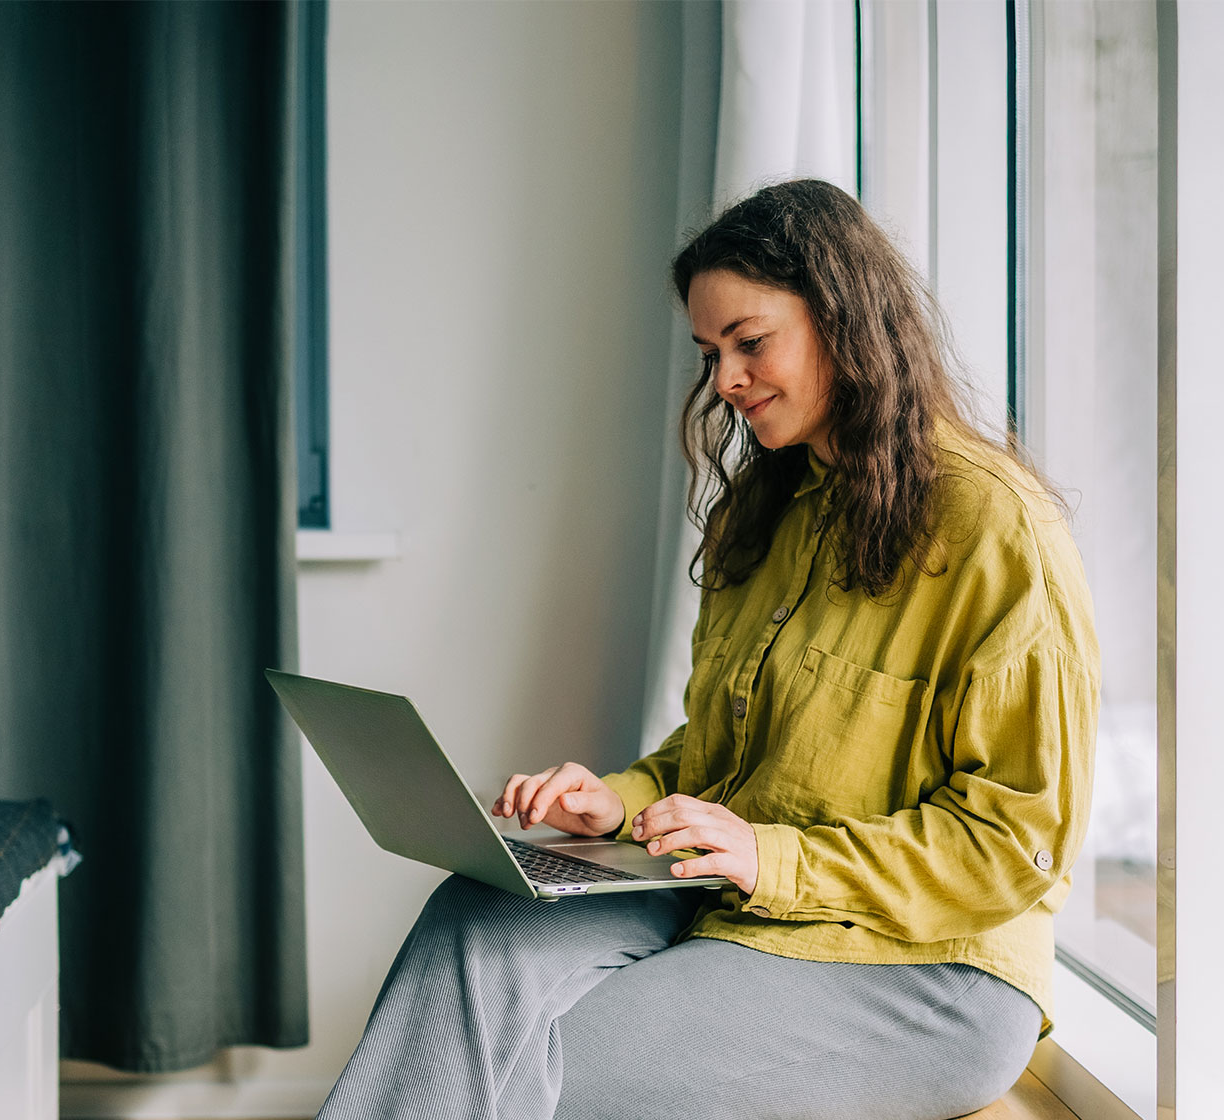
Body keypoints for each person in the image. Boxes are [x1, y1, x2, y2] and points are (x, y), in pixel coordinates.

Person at [316, 179, 1100, 1120]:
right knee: (473, 919)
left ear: (845, 316)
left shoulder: (995, 531)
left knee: (523, 1062)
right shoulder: (762, 513)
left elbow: (1016, 847)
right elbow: (722, 758)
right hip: (732, 900)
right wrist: (618, 803)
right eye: (710, 352)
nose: (725, 380)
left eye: (750, 342)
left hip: (924, 966)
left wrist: (774, 861)